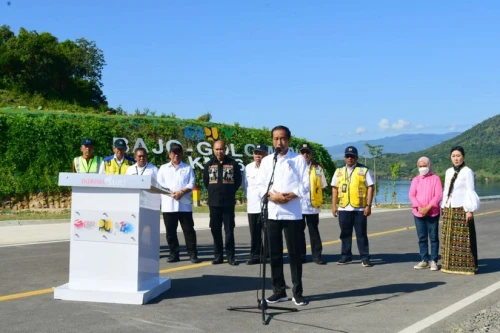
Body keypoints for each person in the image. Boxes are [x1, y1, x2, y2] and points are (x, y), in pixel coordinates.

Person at [256, 125, 310, 306]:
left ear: (289, 140)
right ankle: (278, 291)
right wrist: (273, 196)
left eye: (283, 138)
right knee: (275, 254)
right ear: (273, 141)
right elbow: (260, 185)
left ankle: (297, 291)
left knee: (294, 254)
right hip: (272, 213)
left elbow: (305, 185)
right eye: (276, 139)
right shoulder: (267, 161)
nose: (279, 142)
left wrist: (290, 195)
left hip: (292, 214)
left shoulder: (298, 160)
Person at [157, 143, 201, 264]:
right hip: (169, 205)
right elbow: (160, 184)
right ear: (169, 154)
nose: (176, 155)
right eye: (174, 152)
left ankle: (192, 254)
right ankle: (174, 254)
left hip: (184, 206)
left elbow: (191, 184)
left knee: (189, 231)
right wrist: (172, 194)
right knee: (170, 232)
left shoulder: (187, 168)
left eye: (178, 152)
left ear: (181, 154)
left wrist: (181, 192)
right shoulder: (163, 168)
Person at [331, 146, 375, 267]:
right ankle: (346, 256)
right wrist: (333, 205)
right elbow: (334, 188)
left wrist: (368, 205)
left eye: (352, 156)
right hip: (344, 207)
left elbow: (370, 187)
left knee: (361, 234)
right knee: (345, 233)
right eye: (347, 156)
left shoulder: (364, 170)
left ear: (356, 157)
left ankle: (365, 257)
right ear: (344, 157)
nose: (349, 158)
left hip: (359, 207)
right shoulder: (339, 170)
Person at [440, 146, 480, 275]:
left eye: (458, 156)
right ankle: (449, 265)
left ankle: (467, 266)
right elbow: (446, 189)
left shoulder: (467, 171)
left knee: (464, 238)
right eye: (453, 156)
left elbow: (470, 190)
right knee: (448, 237)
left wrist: (469, 209)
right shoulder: (448, 171)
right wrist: (443, 205)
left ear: (463, 157)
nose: (456, 158)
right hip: (449, 206)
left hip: (462, 207)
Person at [203, 140, 242, 266]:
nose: (219, 151)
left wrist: (229, 192)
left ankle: (231, 257)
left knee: (229, 230)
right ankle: (218, 256)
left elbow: (238, 181)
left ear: (225, 150)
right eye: (217, 149)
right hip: (214, 203)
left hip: (228, 203)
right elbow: (205, 182)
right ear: (213, 150)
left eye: (221, 149)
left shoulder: (233, 164)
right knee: (215, 230)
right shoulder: (209, 165)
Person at [408, 157, 443, 271]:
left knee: (433, 237)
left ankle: (434, 260)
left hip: (432, 212)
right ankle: (424, 260)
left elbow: (438, 195)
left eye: (424, 165)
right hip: (418, 213)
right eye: (420, 166)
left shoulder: (435, 178)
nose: (423, 168)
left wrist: (428, 207)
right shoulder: (416, 180)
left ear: (429, 165)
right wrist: (419, 207)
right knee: (422, 237)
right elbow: (412, 195)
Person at [299, 142, 328, 265]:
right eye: (303, 152)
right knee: (298, 233)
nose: (305, 154)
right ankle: (300, 256)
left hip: (312, 205)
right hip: (298, 205)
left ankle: (317, 256)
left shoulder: (317, 168)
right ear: (299, 154)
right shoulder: (293, 166)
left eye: (308, 152)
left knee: (314, 231)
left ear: (311, 154)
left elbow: (322, 185)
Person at [242, 143, 268, 265]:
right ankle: (256, 255)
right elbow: (245, 185)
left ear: (266, 154)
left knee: (268, 233)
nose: (258, 155)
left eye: (261, 153)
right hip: (253, 205)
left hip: (268, 205)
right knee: (255, 233)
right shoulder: (248, 168)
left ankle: (268, 255)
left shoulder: (270, 167)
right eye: (256, 153)